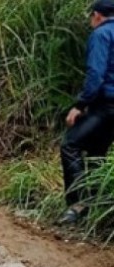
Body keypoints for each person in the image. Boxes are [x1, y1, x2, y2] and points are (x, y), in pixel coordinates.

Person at [60, 0, 114, 225]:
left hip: (106, 105)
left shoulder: (101, 35)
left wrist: (79, 105)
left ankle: (78, 204)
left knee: (70, 145)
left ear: (97, 16)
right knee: (96, 152)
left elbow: (96, 75)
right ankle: (99, 207)